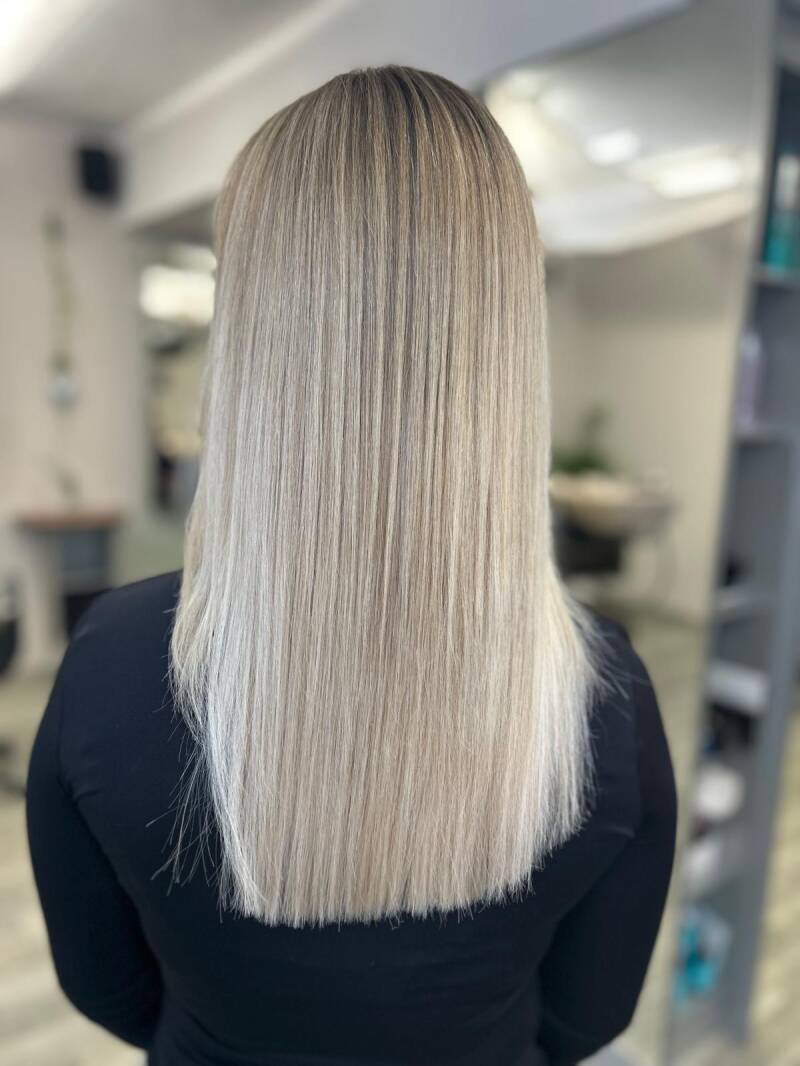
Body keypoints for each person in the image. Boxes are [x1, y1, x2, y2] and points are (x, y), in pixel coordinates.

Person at [26, 66, 676, 1066]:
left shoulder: (111, 662)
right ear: (507, 338)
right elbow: (589, 1018)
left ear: (251, 333)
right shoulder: (607, 696)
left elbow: (101, 983)